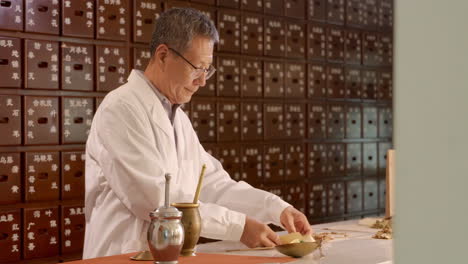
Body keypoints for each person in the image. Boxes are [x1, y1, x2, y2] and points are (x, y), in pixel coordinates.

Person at [83, 7, 312, 259]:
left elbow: (213, 185)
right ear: (162, 55)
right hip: (121, 254)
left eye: (207, 70)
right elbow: (157, 201)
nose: (202, 81)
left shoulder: (177, 117)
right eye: (197, 68)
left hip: (165, 254)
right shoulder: (121, 108)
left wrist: (276, 209)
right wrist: (239, 227)